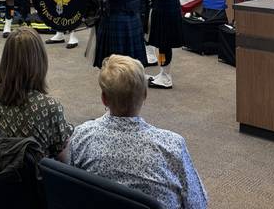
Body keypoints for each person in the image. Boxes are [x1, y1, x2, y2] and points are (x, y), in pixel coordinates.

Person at [70, 55, 208, 209]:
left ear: (104, 99)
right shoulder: (172, 145)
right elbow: (198, 203)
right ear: (145, 95)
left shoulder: (81, 137)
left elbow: (71, 191)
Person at [0, 27, 73, 160]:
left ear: (6, 58)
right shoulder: (49, 106)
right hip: (30, 177)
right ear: (40, 60)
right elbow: (62, 160)